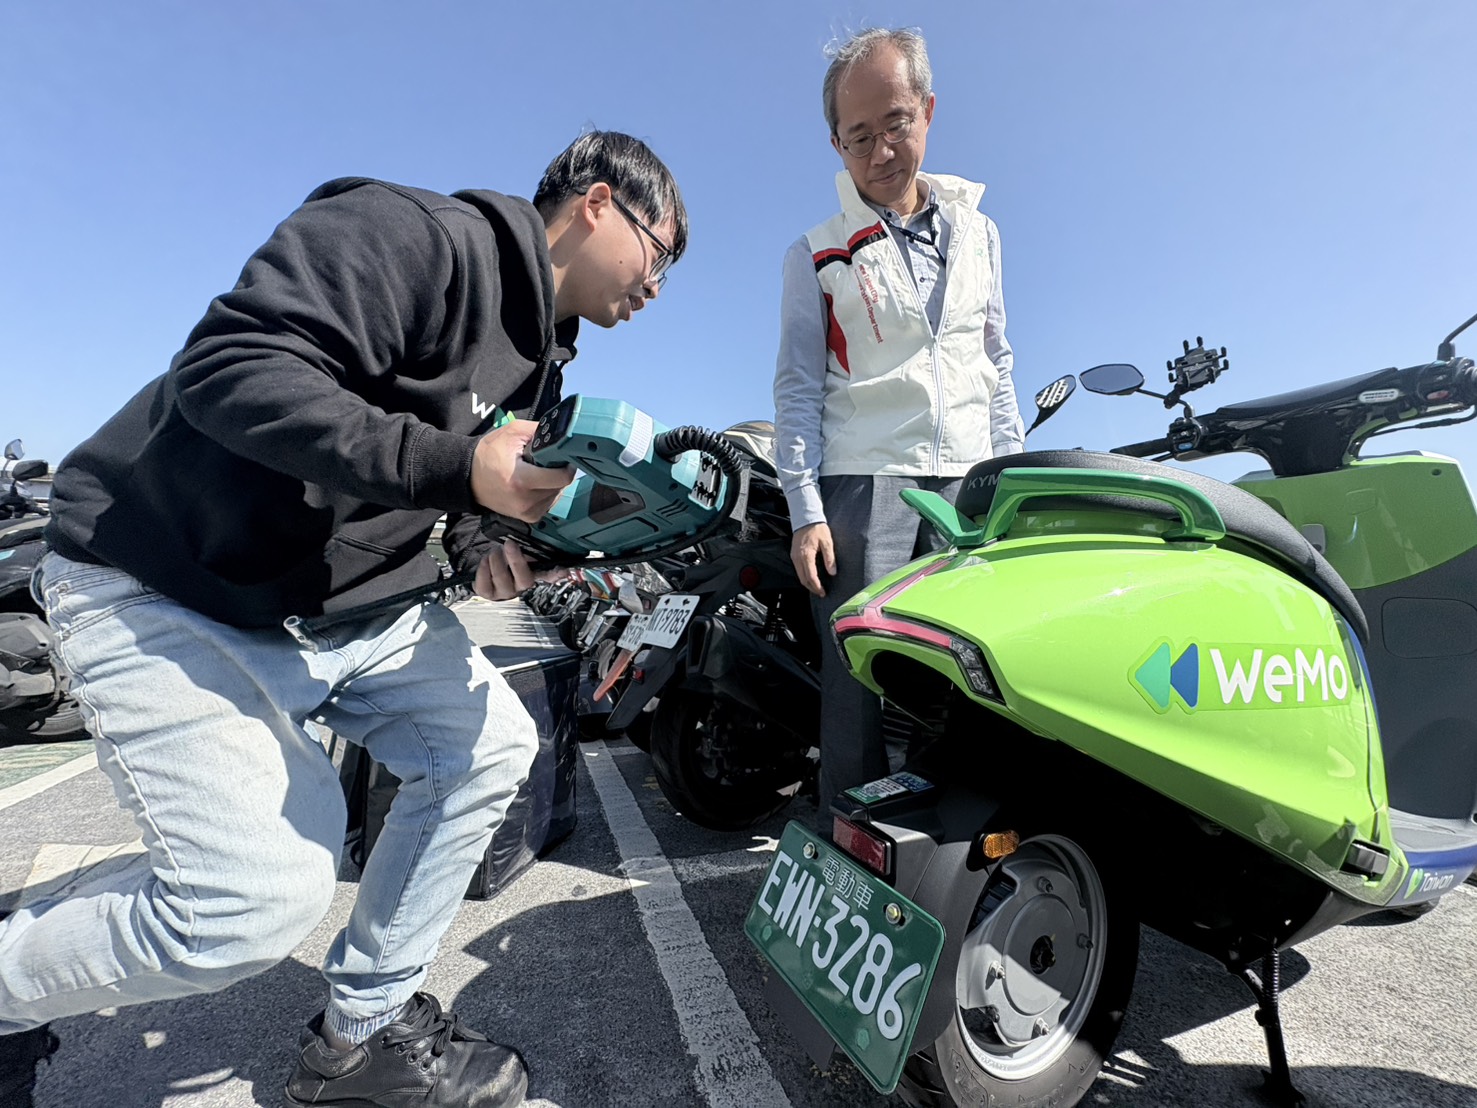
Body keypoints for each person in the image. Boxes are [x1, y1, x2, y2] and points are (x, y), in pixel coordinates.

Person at [0, 130, 686, 1108]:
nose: (659, 285)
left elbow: (452, 511)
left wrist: (486, 551)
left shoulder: (543, 373)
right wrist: (459, 466)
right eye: (661, 252)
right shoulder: (420, 236)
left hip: (330, 606)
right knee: (246, 905)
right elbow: (228, 370)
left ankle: (359, 1037)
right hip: (164, 578)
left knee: (490, 745)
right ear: (598, 203)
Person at [773, 27, 1025, 821]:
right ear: (835, 145)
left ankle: (947, 846)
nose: (881, 152)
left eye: (896, 124)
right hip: (863, 484)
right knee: (857, 689)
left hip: (971, 486)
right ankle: (849, 846)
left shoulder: (980, 234)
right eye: (858, 137)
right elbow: (796, 387)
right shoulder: (816, 253)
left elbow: (997, 366)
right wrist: (806, 510)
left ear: (927, 111)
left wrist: (1012, 483)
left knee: (963, 679)